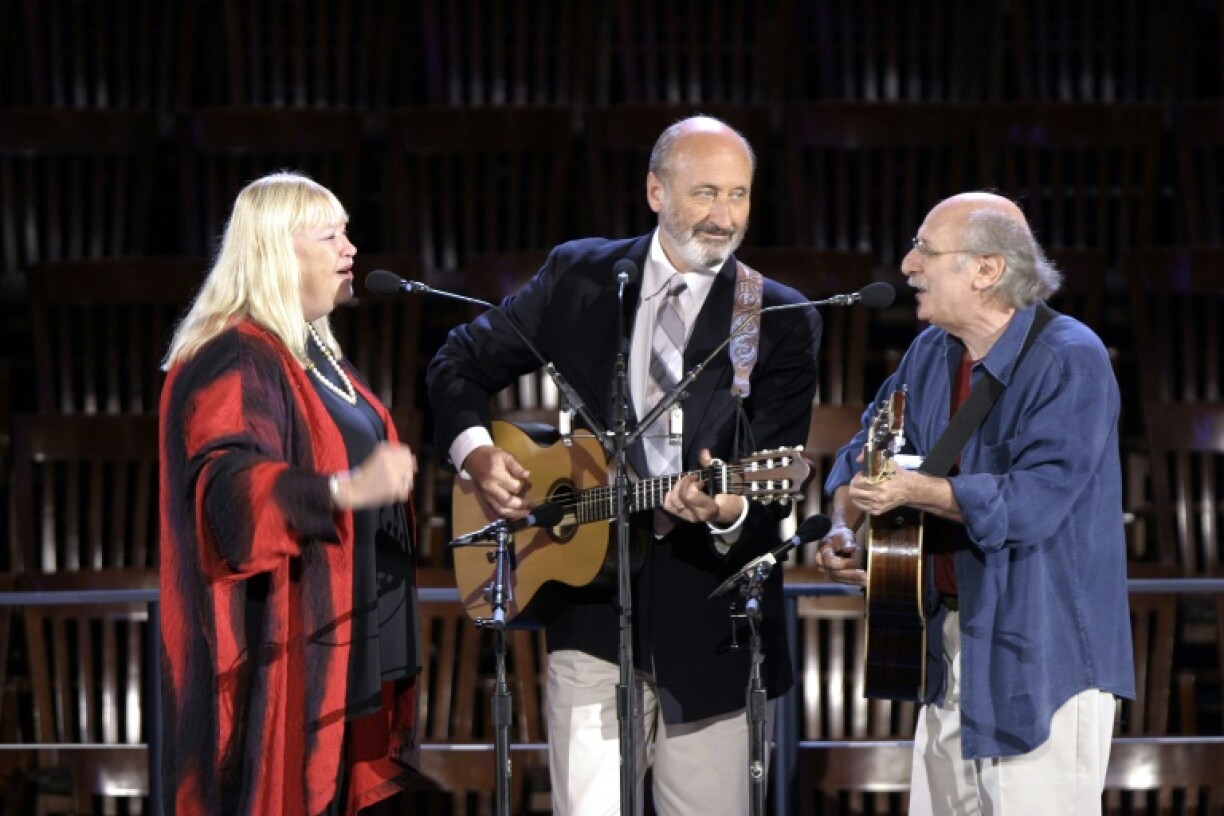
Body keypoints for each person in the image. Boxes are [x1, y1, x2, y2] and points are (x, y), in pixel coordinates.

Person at [426, 116, 820, 815]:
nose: (723, 216)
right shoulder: (581, 276)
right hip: (588, 608)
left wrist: (727, 506)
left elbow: (771, 483)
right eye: (704, 192)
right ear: (654, 191)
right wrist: (478, 454)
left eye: (739, 195)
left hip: (712, 624)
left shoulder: (779, 318)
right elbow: (458, 362)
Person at [817, 191, 1134, 815]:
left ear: (986, 269)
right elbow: (864, 449)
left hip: (1042, 654)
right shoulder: (930, 352)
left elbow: (1035, 501)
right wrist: (843, 525)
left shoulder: (1071, 357)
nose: (908, 265)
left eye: (925, 250)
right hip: (949, 644)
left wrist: (916, 490)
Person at [159, 172, 422, 815]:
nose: (350, 248)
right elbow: (229, 491)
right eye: (330, 235)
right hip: (277, 654)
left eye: (347, 232)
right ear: (277, 251)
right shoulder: (236, 354)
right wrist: (342, 489)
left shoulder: (314, 355)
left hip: (346, 642)